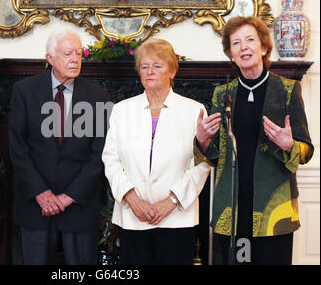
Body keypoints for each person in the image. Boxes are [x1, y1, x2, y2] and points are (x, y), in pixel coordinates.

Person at [194, 16, 313, 265]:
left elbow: (306, 150)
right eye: (236, 43)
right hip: (232, 208)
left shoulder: (287, 90)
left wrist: (289, 144)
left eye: (250, 40)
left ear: (264, 47)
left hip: (273, 210)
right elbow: (216, 155)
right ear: (231, 54)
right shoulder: (222, 94)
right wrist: (203, 141)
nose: (244, 47)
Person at [102, 38, 210, 265]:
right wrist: (132, 199)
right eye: (144, 66)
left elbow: (201, 163)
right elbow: (110, 160)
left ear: (172, 71)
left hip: (177, 218)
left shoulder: (194, 110)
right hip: (132, 216)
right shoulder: (122, 111)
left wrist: (171, 201)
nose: (150, 71)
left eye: (157, 66)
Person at [8, 29, 111, 265]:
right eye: (67, 54)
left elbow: (100, 153)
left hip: (79, 206)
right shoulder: (24, 91)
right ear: (50, 58)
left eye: (78, 53)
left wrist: (69, 197)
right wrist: (41, 194)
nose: (75, 59)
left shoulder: (98, 96)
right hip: (35, 205)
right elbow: (18, 148)